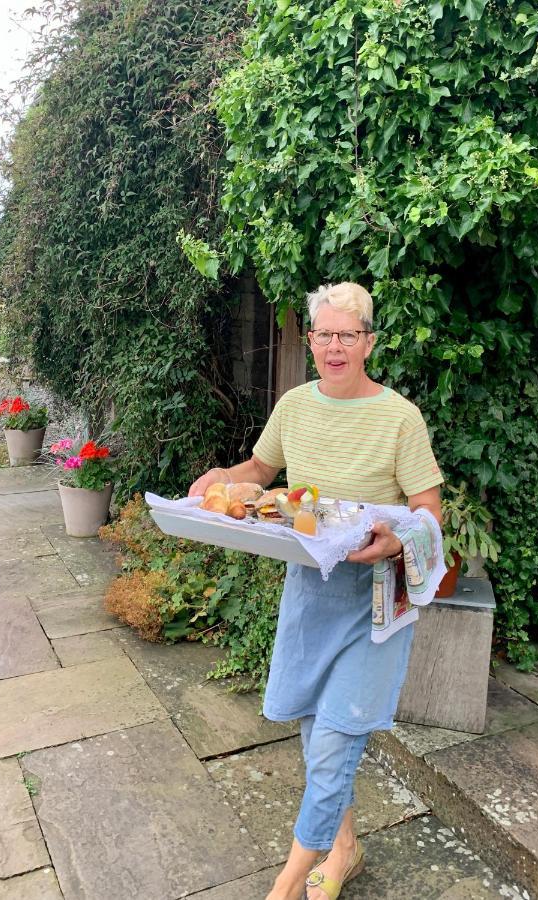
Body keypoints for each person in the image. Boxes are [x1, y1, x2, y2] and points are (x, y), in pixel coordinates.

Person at [189, 282, 443, 900]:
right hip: (310, 593)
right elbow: (258, 473)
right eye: (324, 334)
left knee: (335, 740)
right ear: (310, 341)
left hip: (374, 602)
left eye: (347, 335)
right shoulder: (295, 406)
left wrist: (394, 539)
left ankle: (285, 885)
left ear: (368, 343)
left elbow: (428, 510)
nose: (334, 346)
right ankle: (345, 847)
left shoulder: (400, 417)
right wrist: (219, 478)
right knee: (315, 733)